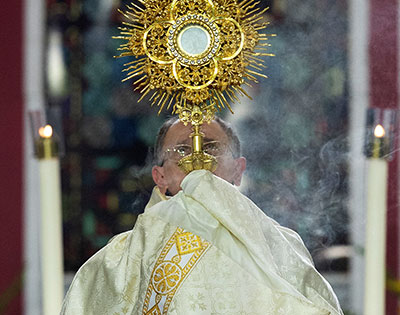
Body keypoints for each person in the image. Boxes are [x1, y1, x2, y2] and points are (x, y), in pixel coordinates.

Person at [61, 117, 343, 315]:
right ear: (159, 177)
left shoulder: (280, 243)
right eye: (182, 150)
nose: (197, 160)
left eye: (211, 148)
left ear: (238, 170)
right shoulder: (119, 259)